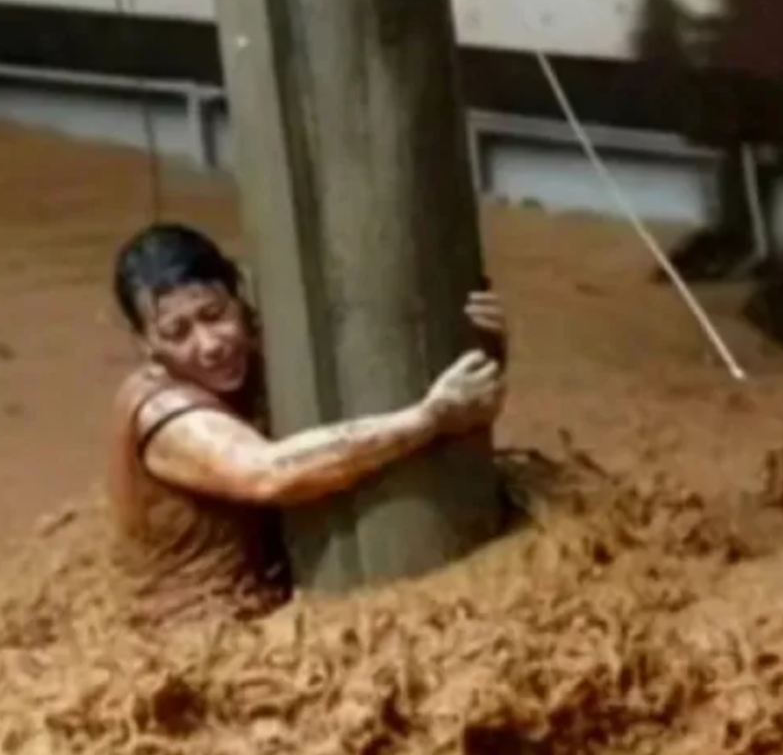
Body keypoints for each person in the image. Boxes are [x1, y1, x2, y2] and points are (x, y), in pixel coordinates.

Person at [107, 223, 509, 625]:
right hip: (197, 626)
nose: (210, 344)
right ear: (145, 344)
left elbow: (397, 382)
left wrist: (478, 344)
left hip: (279, 595)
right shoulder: (160, 409)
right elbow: (267, 473)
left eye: (215, 315)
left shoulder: (270, 345)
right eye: (177, 333)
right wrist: (429, 418)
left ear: (238, 296)